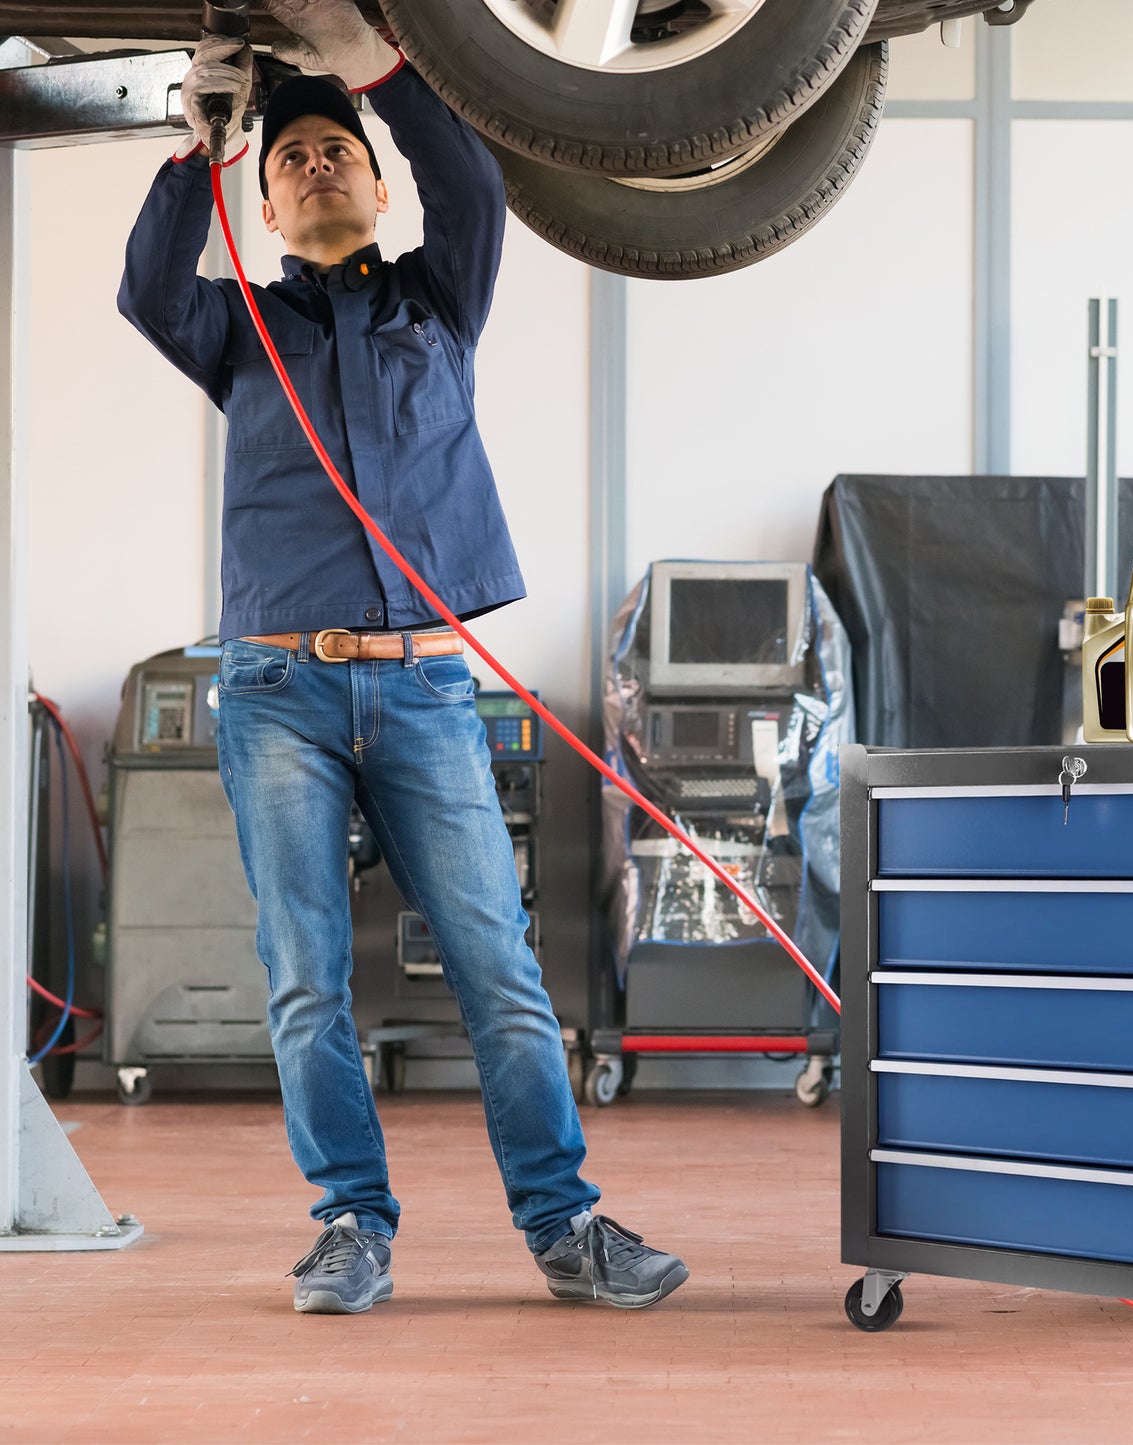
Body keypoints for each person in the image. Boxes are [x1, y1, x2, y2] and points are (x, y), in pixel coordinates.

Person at [116, 0, 687, 1316]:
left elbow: (475, 180)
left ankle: (565, 1223)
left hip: (427, 689)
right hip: (276, 698)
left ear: (376, 186)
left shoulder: (442, 298)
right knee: (308, 974)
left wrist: (370, 62)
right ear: (262, 207)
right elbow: (149, 287)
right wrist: (199, 144)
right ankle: (349, 1226)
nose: (313, 164)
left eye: (337, 153)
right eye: (289, 160)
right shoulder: (238, 331)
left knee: (496, 963)